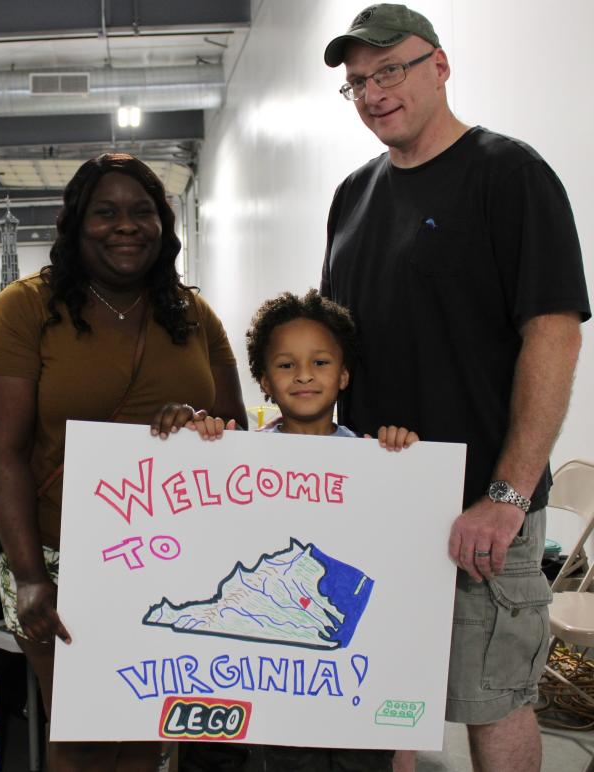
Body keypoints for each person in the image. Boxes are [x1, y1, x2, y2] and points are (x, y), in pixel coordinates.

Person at [321, 6, 590, 771]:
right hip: (380, 506)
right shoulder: (351, 197)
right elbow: (337, 352)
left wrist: (507, 496)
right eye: (357, 83)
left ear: (439, 65)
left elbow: (554, 334)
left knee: (493, 702)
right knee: (382, 698)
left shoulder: (510, 175)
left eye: (390, 70)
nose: (374, 92)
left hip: (482, 514)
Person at [0, 152, 247, 771]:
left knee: (149, 728)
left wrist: (200, 426)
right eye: (106, 213)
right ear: (75, 224)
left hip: (172, 560)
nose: (126, 225)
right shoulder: (26, 310)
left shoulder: (193, 316)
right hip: (58, 559)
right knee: (86, 731)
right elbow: (0, 452)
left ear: (163, 225)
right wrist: (32, 575)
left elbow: (236, 433)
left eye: (141, 212)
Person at [170, 289, 417, 772]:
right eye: (285, 365)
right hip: (265, 689)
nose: (304, 374)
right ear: (263, 380)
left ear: (344, 375)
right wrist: (193, 447)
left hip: (347, 687)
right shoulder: (235, 462)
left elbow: (400, 552)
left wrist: (406, 459)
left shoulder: (377, 461)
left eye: (320, 361)